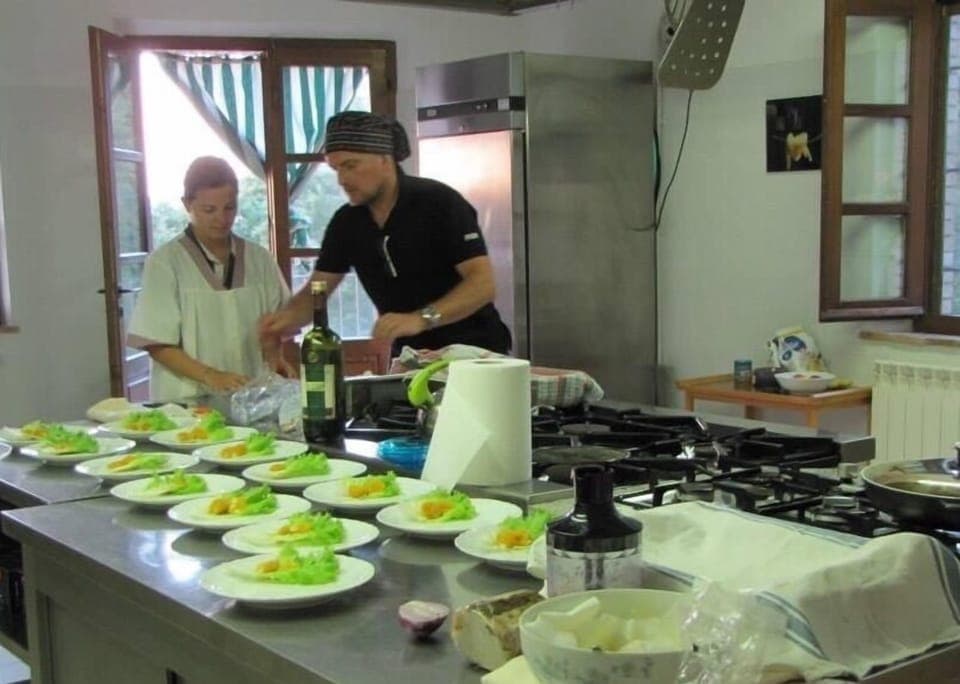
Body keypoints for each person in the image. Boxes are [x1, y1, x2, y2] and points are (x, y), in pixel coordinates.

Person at [258, 111, 511, 358]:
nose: (342, 180)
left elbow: (483, 284)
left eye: (351, 165)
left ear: (384, 158)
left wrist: (421, 319)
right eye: (336, 169)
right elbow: (318, 289)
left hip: (476, 355)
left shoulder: (440, 203)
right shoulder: (346, 222)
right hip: (409, 360)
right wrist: (280, 321)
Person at [127, 156, 290, 401]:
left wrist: (276, 359)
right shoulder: (165, 262)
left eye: (229, 208)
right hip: (186, 402)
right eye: (209, 210)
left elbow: (276, 327)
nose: (221, 219)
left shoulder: (260, 259)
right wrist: (211, 375)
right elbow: (156, 344)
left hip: (251, 397)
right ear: (187, 204)